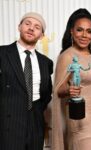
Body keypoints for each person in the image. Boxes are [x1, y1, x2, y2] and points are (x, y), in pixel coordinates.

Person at [52, 8, 91, 150]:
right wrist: (69, 89)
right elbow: (58, 91)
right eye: (80, 30)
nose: (84, 35)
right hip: (80, 118)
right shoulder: (67, 56)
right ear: (71, 32)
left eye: (89, 31)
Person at [0, 12, 53, 150]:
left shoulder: (46, 62)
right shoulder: (2, 54)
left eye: (37, 27)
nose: (31, 28)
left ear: (41, 35)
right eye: (27, 23)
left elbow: (47, 94)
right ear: (19, 27)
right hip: (7, 122)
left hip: (36, 121)